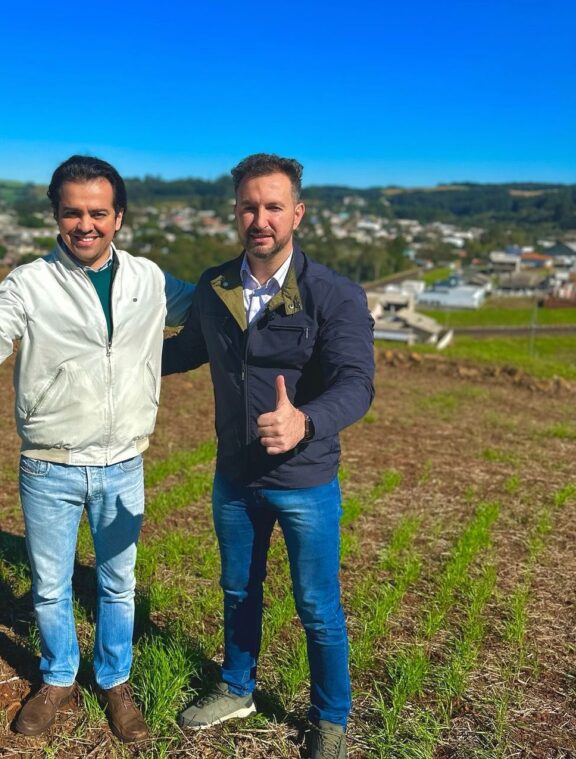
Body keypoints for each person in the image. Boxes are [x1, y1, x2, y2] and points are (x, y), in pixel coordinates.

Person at [0, 155, 193, 743]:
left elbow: (212, 306)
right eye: (73, 213)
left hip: (123, 463)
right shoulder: (31, 281)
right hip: (49, 466)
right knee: (51, 585)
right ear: (56, 217)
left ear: (119, 217)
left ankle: (115, 681)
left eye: (98, 213)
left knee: (117, 583)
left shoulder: (150, 280)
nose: (86, 225)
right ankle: (57, 677)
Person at [162, 153, 374, 758]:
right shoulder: (215, 286)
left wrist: (305, 420)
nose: (261, 218)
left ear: (297, 214)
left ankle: (330, 717)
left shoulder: (335, 294)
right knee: (237, 590)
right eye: (249, 206)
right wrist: (106, 356)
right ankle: (237, 687)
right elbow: (184, 352)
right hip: (234, 476)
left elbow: (357, 384)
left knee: (317, 605)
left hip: (304, 480)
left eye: (273, 206)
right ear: (236, 213)